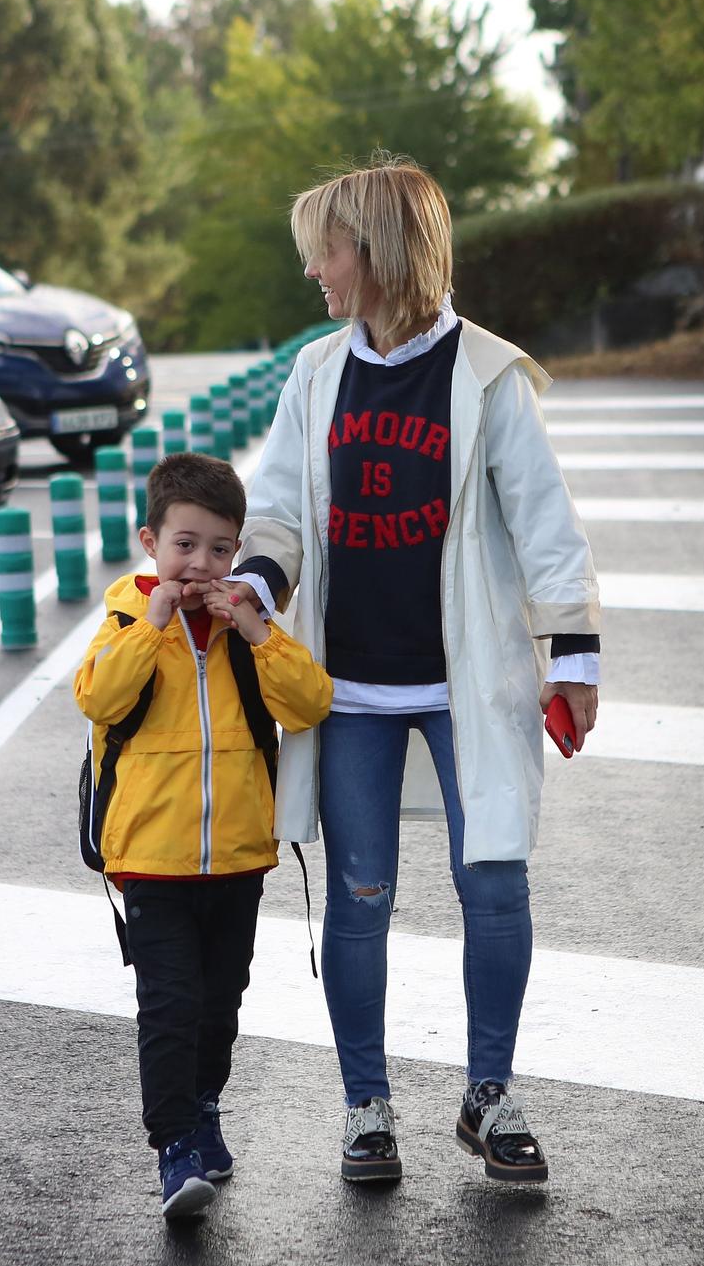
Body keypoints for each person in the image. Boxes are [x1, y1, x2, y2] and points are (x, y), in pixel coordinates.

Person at [228, 155, 600, 1185]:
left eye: (329, 250)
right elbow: (279, 513)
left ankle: (488, 1096)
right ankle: (365, 1107)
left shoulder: (483, 377)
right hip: (347, 687)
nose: (316, 272)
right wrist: (256, 589)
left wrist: (572, 659)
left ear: (381, 254)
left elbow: (545, 527)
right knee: (356, 897)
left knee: (495, 884)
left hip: (465, 681)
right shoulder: (315, 375)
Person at [74, 453, 333, 1220]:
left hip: (237, 860)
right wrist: (154, 625)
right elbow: (97, 696)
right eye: (185, 544)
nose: (202, 563)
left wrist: (256, 629)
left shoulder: (243, 631)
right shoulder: (127, 621)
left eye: (220, 548)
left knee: (221, 1004)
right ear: (151, 542)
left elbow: (311, 703)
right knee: (170, 1004)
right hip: (150, 862)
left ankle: (206, 1105)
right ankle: (174, 1145)